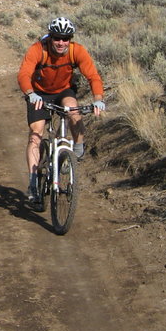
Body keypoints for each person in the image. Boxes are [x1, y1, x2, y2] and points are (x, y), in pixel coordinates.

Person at [17, 16, 105, 202]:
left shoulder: (76, 51)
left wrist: (98, 99)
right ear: (50, 37)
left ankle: (76, 152)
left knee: (73, 110)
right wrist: (30, 93)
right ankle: (33, 182)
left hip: (63, 90)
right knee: (36, 132)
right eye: (57, 38)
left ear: (70, 39)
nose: (61, 42)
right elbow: (24, 73)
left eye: (65, 38)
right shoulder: (38, 49)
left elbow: (93, 76)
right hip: (39, 93)